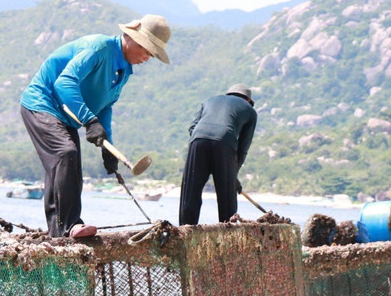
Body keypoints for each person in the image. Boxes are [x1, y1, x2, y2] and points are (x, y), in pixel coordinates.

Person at [18, 14, 171, 238]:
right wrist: (89, 121)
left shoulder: (124, 71)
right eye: (147, 50)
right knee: (65, 154)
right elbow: (64, 83)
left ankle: (58, 233)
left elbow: (105, 105)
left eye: (152, 54)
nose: (147, 58)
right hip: (42, 104)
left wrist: (108, 145)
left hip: (66, 116)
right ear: (132, 39)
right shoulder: (99, 48)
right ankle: (70, 226)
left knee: (69, 168)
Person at [178, 84, 258, 225]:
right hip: (225, 142)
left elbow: (192, 127)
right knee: (226, 196)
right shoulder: (250, 111)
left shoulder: (210, 100)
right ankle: (228, 232)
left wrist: (201, 140)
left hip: (198, 139)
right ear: (248, 100)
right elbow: (243, 147)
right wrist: (233, 176)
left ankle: (185, 230)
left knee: (190, 191)